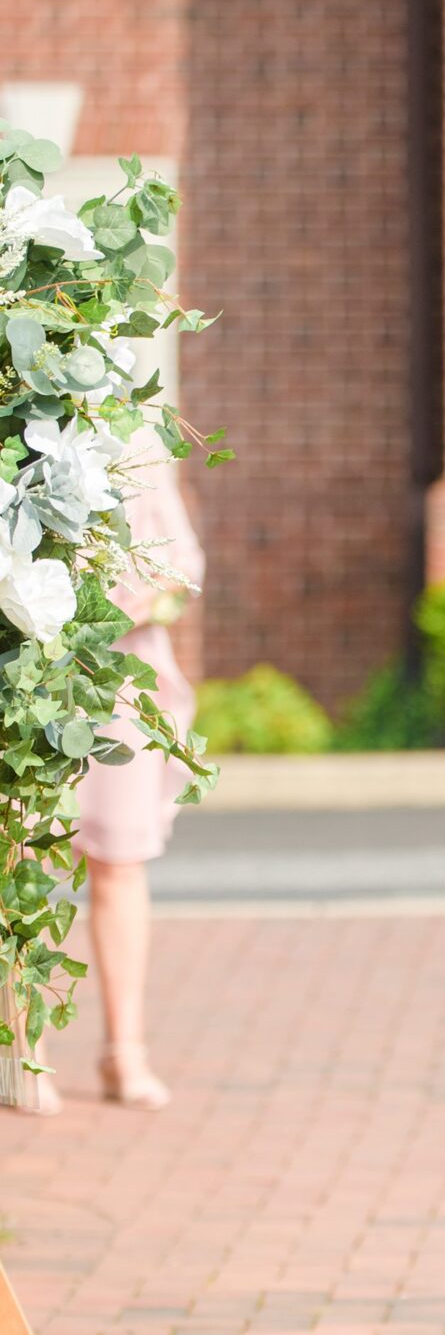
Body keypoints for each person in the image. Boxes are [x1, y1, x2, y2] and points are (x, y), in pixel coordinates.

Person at [25, 429, 204, 1114]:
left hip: (119, 684)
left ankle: (123, 1051)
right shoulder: (21, 428)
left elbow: (182, 573)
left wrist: (107, 616)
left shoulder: (134, 442)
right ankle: (26, 1049)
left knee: (121, 859)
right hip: (29, 679)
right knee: (24, 856)